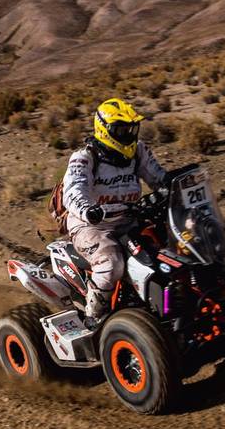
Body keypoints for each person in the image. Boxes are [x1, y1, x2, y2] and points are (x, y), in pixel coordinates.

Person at [62, 98, 167, 320]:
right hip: (92, 225)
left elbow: (159, 178)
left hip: (129, 220)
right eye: (121, 130)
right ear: (105, 130)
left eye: (131, 128)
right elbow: (73, 190)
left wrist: (175, 183)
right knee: (111, 261)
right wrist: (89, 210)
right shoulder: (84, 158)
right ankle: (94, 315)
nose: (128, 134)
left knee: (168, 248)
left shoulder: (138, 151)